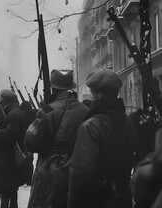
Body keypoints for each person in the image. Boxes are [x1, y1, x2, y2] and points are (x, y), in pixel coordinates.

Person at [69, 69, 139, 208]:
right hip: (123, 197)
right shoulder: (127, 121)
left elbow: (81, 177)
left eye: (93, 92)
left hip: (99, 200)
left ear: (100, 95)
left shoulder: (90, 126)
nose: (92, 96)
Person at [26, 70, 89, 208]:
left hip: (48, 172)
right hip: (75, 172)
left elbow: (31, 142)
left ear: (53, 88)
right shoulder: (85, 110)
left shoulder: (47, 110)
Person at [0, 89, 27, 208]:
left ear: (5, 101)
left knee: (6, 190)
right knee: (10, 189)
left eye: (0, 100)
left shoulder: (13, 114)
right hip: (8, 157)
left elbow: (10, 134)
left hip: (8, 158)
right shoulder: (13, 112)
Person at [19, 101, 37, 186]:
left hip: (22, 140)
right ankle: (29, 180)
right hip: (32, 140)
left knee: (23, 160)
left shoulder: (21, 115)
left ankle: (23, 178)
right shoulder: (35, 114)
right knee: (30, 160)